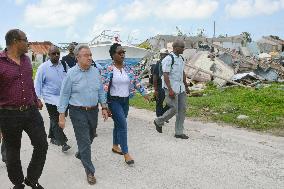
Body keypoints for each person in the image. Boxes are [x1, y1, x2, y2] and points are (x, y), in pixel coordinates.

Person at [0, 29, 48, 189]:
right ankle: (18, 183)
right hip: (8, 115)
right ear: (15, 41)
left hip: (31, 110)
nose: (28, 42)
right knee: (13, 152)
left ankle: (32, 178)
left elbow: (29, 82)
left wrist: (35, 99)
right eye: (25, 39)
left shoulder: (27, 60)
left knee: (42, 144)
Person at [58, 45, 108, 185]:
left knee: (91, 135)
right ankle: (89, 171)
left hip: (93, 111)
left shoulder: (95, 72)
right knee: (84, 140)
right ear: (78, 58)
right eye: (86, 55)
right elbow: (64, 95)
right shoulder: (71, 74)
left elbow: (100, 91)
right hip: (77, 111)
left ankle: (81, 153)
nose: (90, 57)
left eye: (90, 55)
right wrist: (62, 115)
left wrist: (104, 107)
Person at [101, 43, 150, 166]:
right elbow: (103, 88)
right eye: (120, 52)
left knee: (118, 124)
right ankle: (126, 153)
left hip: (125, 101)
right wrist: (104, 106)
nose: (123, 54)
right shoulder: (108, 69)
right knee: (123, 125)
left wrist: (144, 93)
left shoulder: (128, 68)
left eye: (123, 52)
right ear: (113, 55)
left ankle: (115, 146)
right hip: (114, 101)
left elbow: (136, 81)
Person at [35, 45, 71, 152]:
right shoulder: (43, 68)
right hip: (50, 97)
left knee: (60, 117)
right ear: (49, 55)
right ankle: (63, 142)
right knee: (56, 119)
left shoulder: (64, 64)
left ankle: (52, 136)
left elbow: (69, 78)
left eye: (58, 53)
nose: (56, 55)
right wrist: (37, 99)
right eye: (53, 53)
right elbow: (38, 84)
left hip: (63, 98)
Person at [154, 40, 190, 139]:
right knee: (174, 108)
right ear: (175, 48)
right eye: (182, 47)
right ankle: (159, 121)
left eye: (184, 47)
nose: (183, 49)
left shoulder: (182, 58)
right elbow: (165, 74)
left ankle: (179, 132)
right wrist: (170, 90)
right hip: (171, 87)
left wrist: (186, 86)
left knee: (182, 109)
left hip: (181, 87)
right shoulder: (169, 59)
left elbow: (182, 72)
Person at [153, 48, 170, 117]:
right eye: (163, 55)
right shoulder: (158, 64)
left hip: (167, 86)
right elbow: (154, 77)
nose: (164, 56)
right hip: (160, 87)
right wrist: (155, 89)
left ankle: (161, 116)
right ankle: (159, 118)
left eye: (166, 55)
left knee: (170, 103)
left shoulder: (167, 64)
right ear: (160, 55)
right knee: (159, 102)